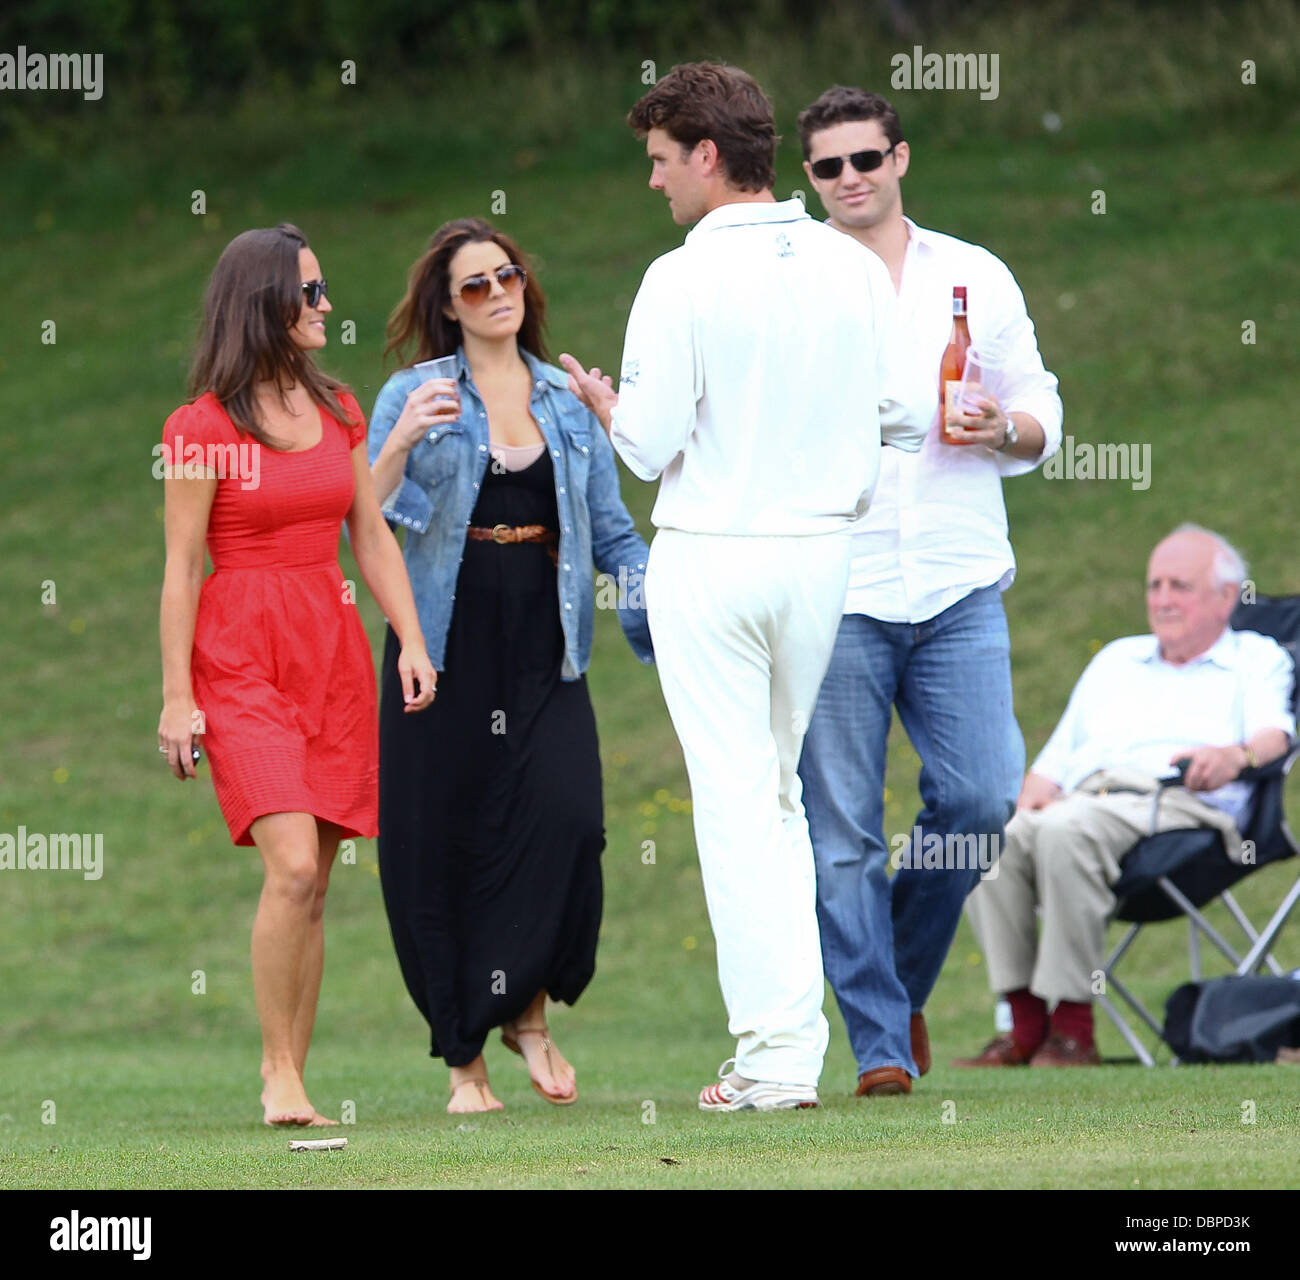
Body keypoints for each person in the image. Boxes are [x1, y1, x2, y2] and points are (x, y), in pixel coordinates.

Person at [562, 63, 930, 1112]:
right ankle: (784, 1054)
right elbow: (908, 413)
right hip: (819, 558)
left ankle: (774, 1061)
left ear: (707, 154)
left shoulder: (679, 276)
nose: (653, 180)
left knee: (741, 805)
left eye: (660, 160)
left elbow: (646, 446)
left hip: (715, 553)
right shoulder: (851, 264)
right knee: (775, 797)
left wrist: (604, 406)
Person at [793, 86, 1064, 1096]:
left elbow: (1038, 403)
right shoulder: (794, 281)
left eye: (866, 158)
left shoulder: (972, 273)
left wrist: (1006, 430)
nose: (850, 178)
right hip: (838, 582)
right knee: (844, 833)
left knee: (982, 797)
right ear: (808, 178)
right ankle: (879, 1045)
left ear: (899, 158)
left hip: (957, 575)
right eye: (828, 166)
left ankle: (894, 982)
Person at [368, 218, 654, 1114]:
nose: (498, 293)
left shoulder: (564, 399)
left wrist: (668, 609)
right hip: (439, 639)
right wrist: (399, 443)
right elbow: (364, 518)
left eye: (508, 276)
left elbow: (612, 534)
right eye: (476, 286)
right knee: (438, 842)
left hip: (543, 636)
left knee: (566, 822)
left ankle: (527, 1010)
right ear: (448, 307)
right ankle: (464, 1060)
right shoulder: (414, 393)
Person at [158, 223, 436, 1127]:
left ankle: (296, 1080)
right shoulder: (202, 428)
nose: (326, 306)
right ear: (264, 302)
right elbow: (182, 567)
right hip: (239, 656)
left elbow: (371, 534)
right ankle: (276, 1070)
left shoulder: (341, 409)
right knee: (286, 867)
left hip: (331, 652)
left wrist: (412, 639)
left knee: (315, 881)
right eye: (310, 293)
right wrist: (177, 698)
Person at [958, 525, 1293, 1066]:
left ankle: (1073, 1031)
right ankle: (1024, 1026)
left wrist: (1234, 756)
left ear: (1227, 596)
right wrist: (1009, 813)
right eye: (1154, 585)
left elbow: (1275, 737)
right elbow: (1052, 768)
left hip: (1181, 806)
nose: (1163, 599)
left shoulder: (1256, 657)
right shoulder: (1116, 659)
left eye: (1180, 586)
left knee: (1064, 831)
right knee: (991, 838)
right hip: (1089, 799)